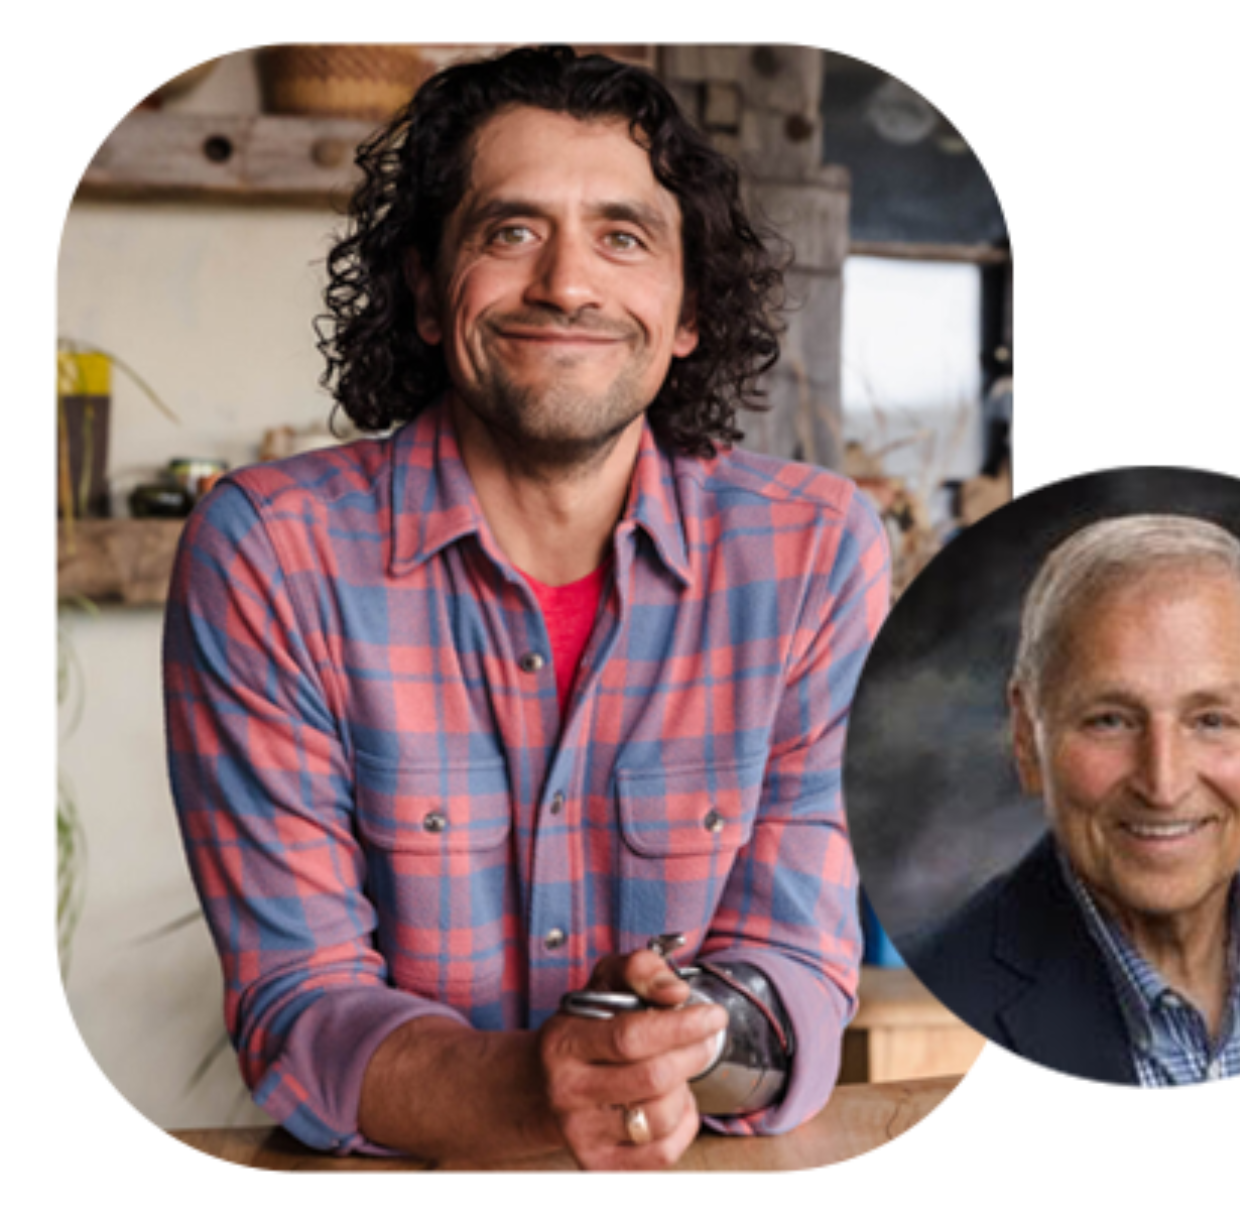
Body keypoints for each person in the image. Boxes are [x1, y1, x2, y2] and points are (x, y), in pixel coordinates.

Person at [164, 44, 890, 1171]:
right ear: (423, 289)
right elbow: (299, 1002)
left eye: (623, 237)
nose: (566, 284)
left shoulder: (814, 553)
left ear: (688, 309)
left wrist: (684, 1043)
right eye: (510, 232)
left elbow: (794, 964)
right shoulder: (269, 552)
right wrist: (539, 1083)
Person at [907, 514, 1240, 1088]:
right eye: (1110, 720)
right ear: (1028, 737)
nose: (1163, 783)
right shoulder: (922, 1017)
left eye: (1211, 720)